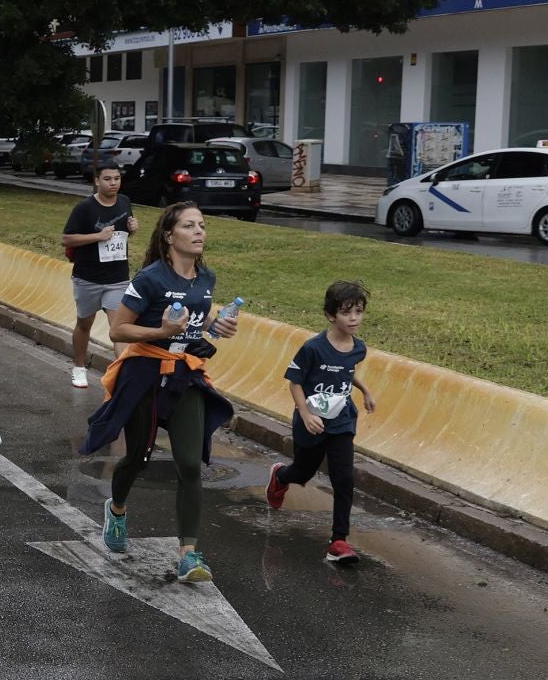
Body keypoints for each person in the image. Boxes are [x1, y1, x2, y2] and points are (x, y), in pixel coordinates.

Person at [81, 202, 240, 583]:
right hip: (144, 374)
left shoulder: (206, 279)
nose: (200, 231)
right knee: (137, 458)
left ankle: (189, 553)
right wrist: (162, 334)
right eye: (190, 225)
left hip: (186, 374)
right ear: (170, 235)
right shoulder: (150, 279)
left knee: (189, 463)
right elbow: (119, 330)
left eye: (202, 225)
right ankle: (117, 509)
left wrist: (215, 328)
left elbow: (192, 327)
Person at [267, 280, 376, 564]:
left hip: (341, 421)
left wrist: (364, 391)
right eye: (346, 313)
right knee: (303, 472)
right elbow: (295, 382)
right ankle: (280, 477)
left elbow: (345, 372)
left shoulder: (358, 348)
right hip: (311, 421)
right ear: (330, 315)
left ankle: (339, 541)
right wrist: (305, 414)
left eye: (359, 312)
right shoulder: (313, 348)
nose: (353, 319)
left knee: (344, 479)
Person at [62, 164, 139, 389]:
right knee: (85, 323)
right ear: (97, 181)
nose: (113, 183)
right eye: (107, 179)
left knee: (119, 328)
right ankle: (78, 366)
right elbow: (67, 239)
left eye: (116, 178)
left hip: (118, 276)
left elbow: (123, 234)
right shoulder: (84, 208)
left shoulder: (124, 202)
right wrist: (98, 236)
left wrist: (133, 228)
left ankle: (124, 376)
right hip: (88, 277)